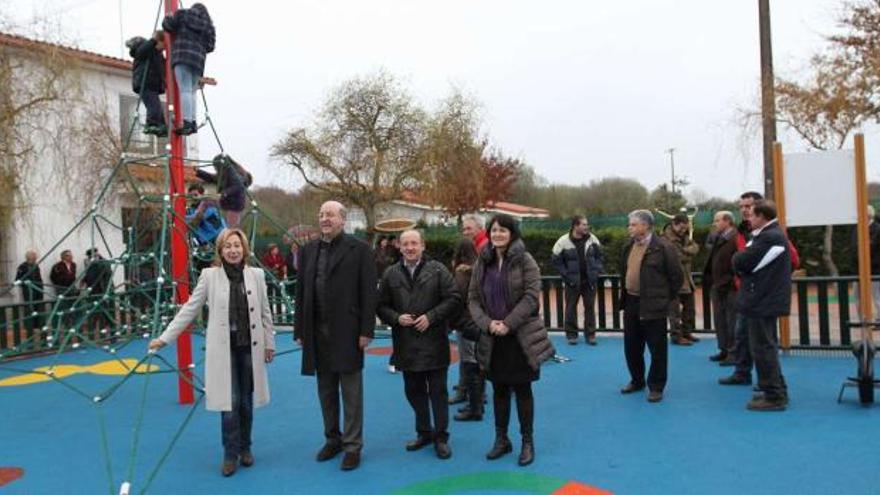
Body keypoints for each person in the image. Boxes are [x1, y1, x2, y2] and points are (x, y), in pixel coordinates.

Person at [149, 228, 276, 476]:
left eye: (237, 246)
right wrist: (165, 338)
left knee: (247, 403)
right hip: (224, 350)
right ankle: (230, 453)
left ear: (244, 249)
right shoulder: (210, 276)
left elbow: (265, 312)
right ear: (220, 250)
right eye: (227, 246)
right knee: (230, 403)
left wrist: (269, 343)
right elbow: (190, 308)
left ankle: (245, 447)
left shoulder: (256, 275)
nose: (233, 250)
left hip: (249, 348)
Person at [294, 201, 377, 471]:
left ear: (343, 219)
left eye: (330, 214)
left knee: (351, 393)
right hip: (317, 333)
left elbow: (368, 292)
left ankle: (353, 446)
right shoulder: (307, 251)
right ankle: (333, 439)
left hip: (349, 331)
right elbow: (301, 293)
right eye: (321, 214)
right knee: (325, 390)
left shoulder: (360, 250)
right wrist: (300, 329)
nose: (324, 219)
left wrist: (366, 330)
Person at [469, 214, 555, 467]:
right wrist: (488, 323)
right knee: (499, 390)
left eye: (503, 230)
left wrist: (508, 323)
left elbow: (531, 297)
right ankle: (501, 439)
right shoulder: (482, 261)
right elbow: (472, 298)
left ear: (512, 233)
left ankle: (527, 441)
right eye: (494, 230)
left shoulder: (525, 260)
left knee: (522, 389)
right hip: (493, 337)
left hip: (519, 336)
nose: (497, 234)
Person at [377, 230, 460, 460]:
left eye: (414, 243)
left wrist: (431, 316)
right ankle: (424, 432)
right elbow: (380, 305)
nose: (410, 247)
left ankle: (441, 437)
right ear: (399, 247)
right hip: (406, 343)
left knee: (438, 393)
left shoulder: (438, 270)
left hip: (434, 342)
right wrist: (396, 318)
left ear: (423, 245)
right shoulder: (390, 274)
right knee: (413, 391)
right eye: (406, 244)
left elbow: (454, 297)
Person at [719, 191, 800, 387]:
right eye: (742, 207)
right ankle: (743, 372)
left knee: (763, 344)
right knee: (743, 337)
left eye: (749, 207)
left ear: (760, 210)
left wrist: (768, 279)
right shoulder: (744, 230)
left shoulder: (770, 234)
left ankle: (772, 387)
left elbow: (792, 259)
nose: (745, 211)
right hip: (749, 292)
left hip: (761, 294)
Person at [732, 201, 791, 411]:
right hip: (762, 300)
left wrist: (739, 261)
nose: (748, 218)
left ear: (762, 217)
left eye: (752, 215)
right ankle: (777, 389)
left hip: (762, 301)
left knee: (763, 348)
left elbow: (742, 261)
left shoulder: (770, 237)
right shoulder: (769, 236)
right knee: (766, 346)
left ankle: (774, 395)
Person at [619, 210, 683, 403]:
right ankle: (637, 380)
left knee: (657, 348)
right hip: (631, 301)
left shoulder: (664, 247)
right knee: (631, 346)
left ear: (646, 226)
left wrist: (663, 299)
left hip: (654, 304)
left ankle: (656, 386)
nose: (630, 228)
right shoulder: (628, 246)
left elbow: (676, 277)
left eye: (633, 224)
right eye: (629, 224)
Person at [449, 213, 489, 404]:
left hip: (473, 314)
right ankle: (469, 388)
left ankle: (474, 394)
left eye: (469, 229)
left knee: (471, 354)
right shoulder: (477, 249)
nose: (465, 232)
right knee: (471, 353)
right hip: (472, 314)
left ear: (480, 229)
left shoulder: (484, 248)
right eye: (463, 229)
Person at [162, 2, 215, 135]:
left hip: (182, 55)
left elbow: (169, 26)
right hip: (198, 62)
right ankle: (192, 122)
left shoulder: (183, 14)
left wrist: (168, 17)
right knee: (191, 91)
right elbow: (210, 46)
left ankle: (186, 122)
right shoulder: (208, 26)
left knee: (184, 89)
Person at [551, 215, 604, 346]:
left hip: (589, 282)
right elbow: (555, 260)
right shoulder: (563, 241)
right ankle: (571, 335)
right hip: (572, 282)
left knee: (590, 308)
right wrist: (566, 276)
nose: (587, 227)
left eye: (587, 224)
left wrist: (596, 271)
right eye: (584, 224)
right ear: (575, 226)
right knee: (570, 309)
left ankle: (590, 335)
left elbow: (600, 256)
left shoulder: (593, 239)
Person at [703, 211, 739, 364]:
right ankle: (724, 350)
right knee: (720, 320)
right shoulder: (718, 238)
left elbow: (739, 263)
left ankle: (734, 353)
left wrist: (730, 280)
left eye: (717, 220)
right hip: (717, 285)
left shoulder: (736, 238)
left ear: (728, 221)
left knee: (732, 321)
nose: (714, 223)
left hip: (730, 287)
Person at [663, 214, 700, 345]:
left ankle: (687, 332)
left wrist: (685, 251)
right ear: (674, 224)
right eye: (681, 228)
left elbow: (696, 248)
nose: (683, 231)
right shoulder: (666, 239)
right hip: (673, 280)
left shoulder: (683, 237)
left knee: (689, 309)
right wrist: (687, 253)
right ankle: (676, 335)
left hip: (687, 279)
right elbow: (676, 257)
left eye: (685, 228)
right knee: (674, 311)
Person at [126, 30, 167, 137]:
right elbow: (142, 51)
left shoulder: (157, 54)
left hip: (153, 84)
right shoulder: (146, 48)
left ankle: (162, 126)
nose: (163, 48)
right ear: (158, 41)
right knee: (153, 105)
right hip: (145, 83)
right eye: (163, 45)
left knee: (157, 107)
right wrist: (154, 39)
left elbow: (162, 67)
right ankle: (151, 124)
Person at [196, 154, 253, 227]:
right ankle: (196, 220)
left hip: (235, 205)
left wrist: (224, 193)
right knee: (206, 202)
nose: (215, 169)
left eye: (216, 167)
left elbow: (237, 186)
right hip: (226, 202)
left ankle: (232, 235)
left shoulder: (233, 172)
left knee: (231, 228)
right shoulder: (224, 174)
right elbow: (212, 178)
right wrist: (198, 172)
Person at [15, 250, 44, 331]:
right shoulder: (22, 267)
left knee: (38, 306)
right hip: (28, 291)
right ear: (29, 257)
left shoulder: (36, 266)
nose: (35, 257)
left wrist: (41, 288)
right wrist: (25, 283)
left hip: (38, 290)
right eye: (34, 256)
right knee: (29, 307)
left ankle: (38, 325)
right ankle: (29, 325)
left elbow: (39, 278)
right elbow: (17, 280)